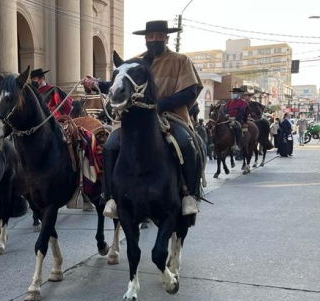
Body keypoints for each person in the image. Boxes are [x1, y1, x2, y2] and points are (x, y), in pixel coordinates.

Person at [82, 20, 203, 219]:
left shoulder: (181, 60)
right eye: (150, 36)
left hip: (170, 117)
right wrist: (97, 84)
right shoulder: (135, 62)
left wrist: (159, 105)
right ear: (146, 39)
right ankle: (111, 197)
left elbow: (190, 92)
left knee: (186, 143)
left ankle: (190, 194)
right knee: (110, 145)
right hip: (135, 119)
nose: (154, 40)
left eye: (158, 36)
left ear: (166, 37)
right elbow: (118, 86)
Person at [224, 87, 249, 152]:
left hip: (238, 119)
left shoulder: (243, 102)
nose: (234, 94)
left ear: (239, 94)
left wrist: (235, 117)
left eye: (235, 93)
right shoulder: (229, 102)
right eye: (233, 93)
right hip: (228, 119)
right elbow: (225, 110)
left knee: (237, 127)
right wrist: (226, 115)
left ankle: (237, 144)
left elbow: (242, 112)